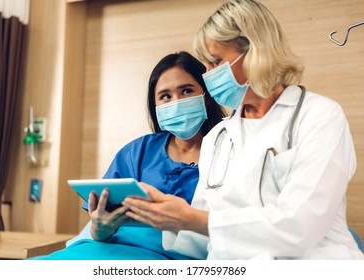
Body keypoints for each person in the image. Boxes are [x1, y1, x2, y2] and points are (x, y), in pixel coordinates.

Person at [123, 0, 364, 259]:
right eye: (206, 65)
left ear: (256, 51)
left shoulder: (320, 116)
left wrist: (192, 218)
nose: (208, 74)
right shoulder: (218, 137)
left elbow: (298, 227)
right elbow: (201, 238)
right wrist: (163, 215)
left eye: (216, 61)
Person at [30, 51, 226, 260]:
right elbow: (99, 220)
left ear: (206, 97)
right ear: (155, 106)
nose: (176, 102)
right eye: (165, 96)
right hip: (104, 248)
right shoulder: (137, 152)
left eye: (186, 91)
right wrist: (100, 229)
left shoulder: (227, 151)